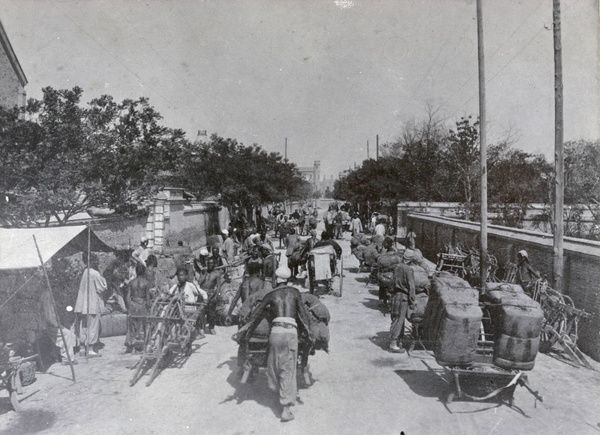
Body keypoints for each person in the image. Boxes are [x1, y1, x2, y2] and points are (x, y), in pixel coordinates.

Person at [233, 266, 314, 422]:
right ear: (289, 279)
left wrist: (244, 331)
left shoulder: (271, 295)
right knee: (288, 368)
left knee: (274, 365)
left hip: (275, 333)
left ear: (276, 280)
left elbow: (255, 314)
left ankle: (276, 390)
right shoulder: (295, 293)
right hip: (290, 333)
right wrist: (310, 333)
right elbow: (303, 315)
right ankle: (286, 409)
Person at [74, 253, 107, 356]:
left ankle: (82, 348)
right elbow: (102, 287)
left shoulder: (83, 272)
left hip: (82, 303)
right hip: (92, 303)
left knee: (84, 325)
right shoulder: (94, 273)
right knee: (92, 326)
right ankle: (91, 349)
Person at [388, 250, 416, 353]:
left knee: (397, 318)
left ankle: (399, 341)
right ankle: (393, 344)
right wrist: (412, 301)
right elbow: (411, 287)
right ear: (411, 260)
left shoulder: (397, 267)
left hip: (395, 295)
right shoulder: (408, 270)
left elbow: (391, 283)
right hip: (403, 297)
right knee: (399, 320)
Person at [124, 263, 152, 353]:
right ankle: (143, 345)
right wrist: (149, 307)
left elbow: (127, 297)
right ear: (144, 272)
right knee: (144, 325)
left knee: (132, 326)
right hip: (142, 305)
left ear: (136, 272)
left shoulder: (131, 283)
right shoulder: (146, 283)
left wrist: (129, 307)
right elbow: (147, 297)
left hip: (133, 304)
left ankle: (131, 345)